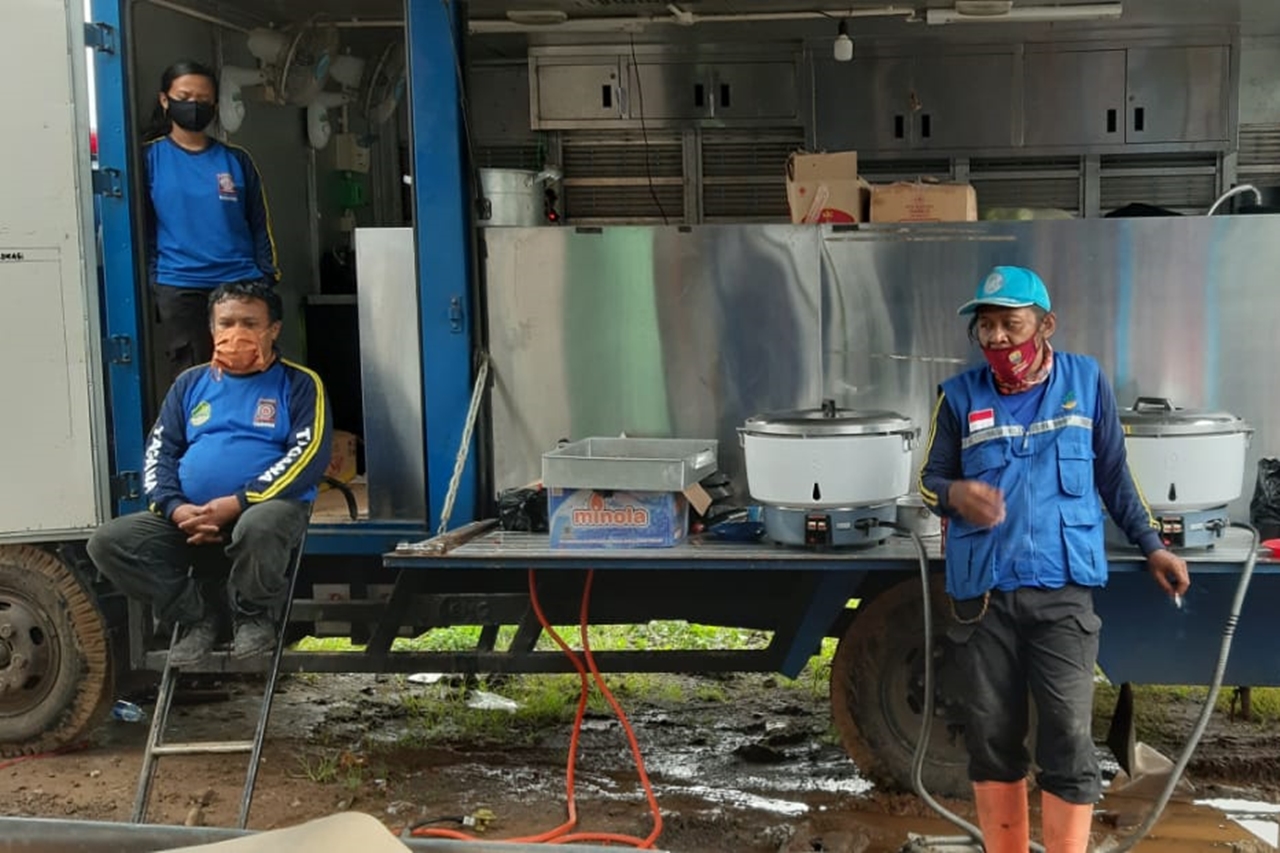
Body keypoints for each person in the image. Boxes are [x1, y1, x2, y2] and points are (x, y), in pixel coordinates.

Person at [918, 266, 1190, 853]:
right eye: (985, 326)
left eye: (1009, 324)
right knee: (991, 736)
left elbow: (1115, 476)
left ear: (1045, 325)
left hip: (1062, 593)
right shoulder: (959, 397)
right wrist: (954, 495)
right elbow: (926, 480)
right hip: (982, 598)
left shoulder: (1085, 382)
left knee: (1066, 734)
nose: (996, 339)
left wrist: (1153, 546)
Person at [88, 282, 331, 667]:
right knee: (108, 542)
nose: (236, 333)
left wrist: (237, 502)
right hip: (189, 515)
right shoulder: (190, 383)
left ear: (274, 329)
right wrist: (175, 508)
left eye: (249, 323)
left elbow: (308, 455)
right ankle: (196, 617)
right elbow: (159, 452)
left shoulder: (299, 383)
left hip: (265, 507)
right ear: (212, 329)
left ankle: (252, 614)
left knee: (260, 526)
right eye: (227, 323)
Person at [144, 60, 280, 387]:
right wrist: (155, 280)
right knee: (194, 377)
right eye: (184, 96)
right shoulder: (148, 160)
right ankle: (204, 438)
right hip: (181, 286)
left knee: (252, 369)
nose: (194, 105)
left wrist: (265, 277)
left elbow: (259, 224)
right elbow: (140, 229)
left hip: (240, 282)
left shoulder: (236, 160)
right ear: (165, 100)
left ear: (215, 105)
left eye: (203, 99)